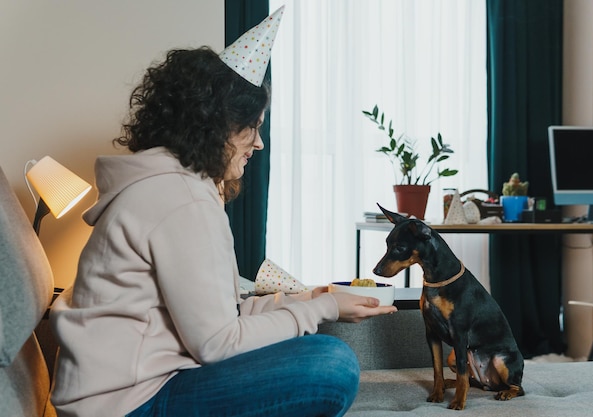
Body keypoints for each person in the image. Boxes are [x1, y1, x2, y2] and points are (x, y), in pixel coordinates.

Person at [50, 8, 397, 417]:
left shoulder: (172, 187)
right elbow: (217, 343)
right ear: (215, 125)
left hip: (130, 389)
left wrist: (312, 297)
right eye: (252, 127)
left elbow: (218, 319)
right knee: (329, 364)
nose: (259, 144)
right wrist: (323, 310)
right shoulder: (180, 199)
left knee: (313, 346)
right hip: (126, 404)